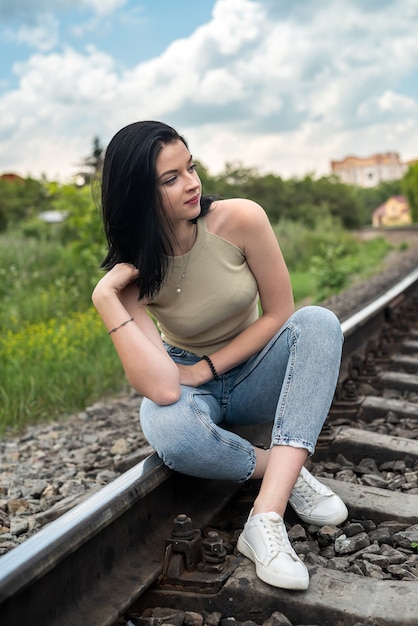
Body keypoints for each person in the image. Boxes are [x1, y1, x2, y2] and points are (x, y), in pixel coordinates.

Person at [92, 120, 348, 591]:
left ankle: (265, 518)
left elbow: (280, 314)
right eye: (170, 179)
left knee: (318, 322)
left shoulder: (241, 219)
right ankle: (286, 468)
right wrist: (106, 299)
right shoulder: (134, 274)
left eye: (190, 167)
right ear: (138, 196)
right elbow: (166, 388)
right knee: (170, 429)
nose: (192, 184)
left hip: (255, 368)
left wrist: (208, 367)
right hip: (190, 380)